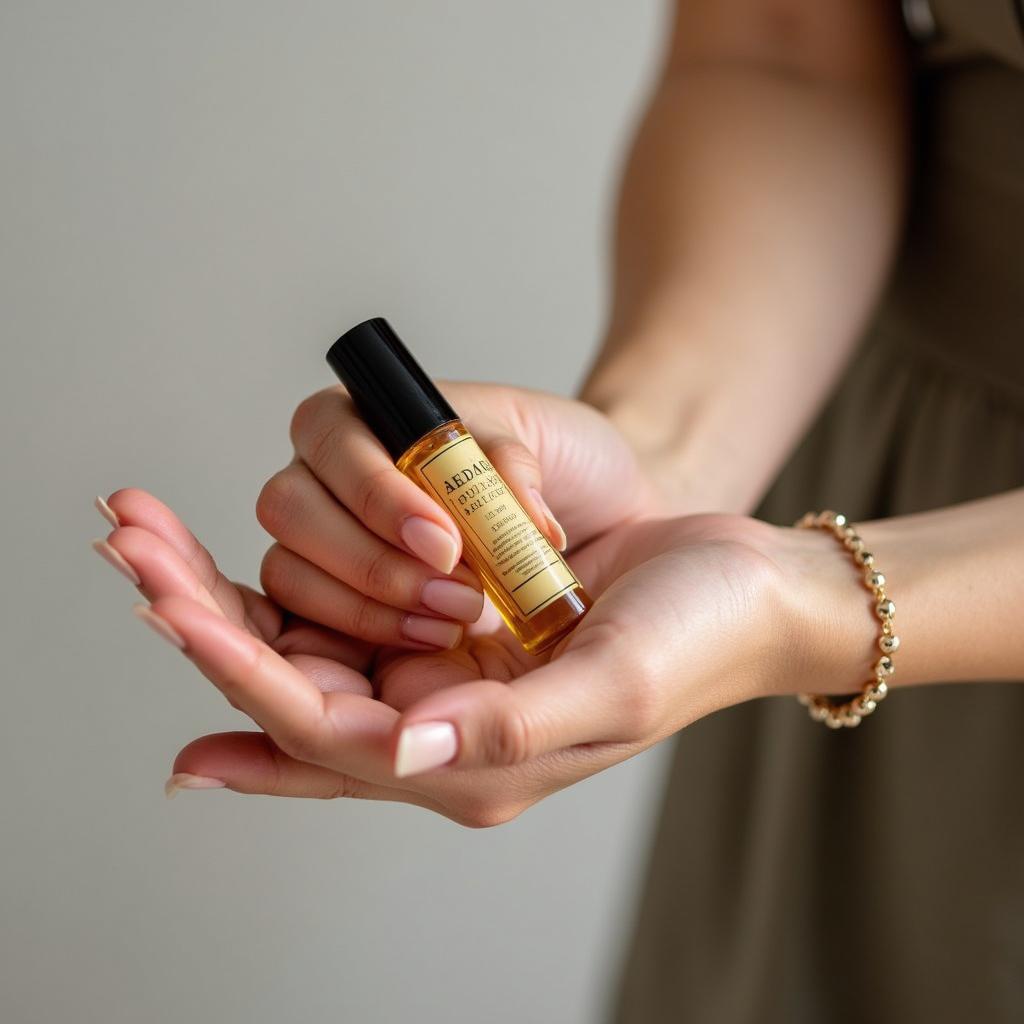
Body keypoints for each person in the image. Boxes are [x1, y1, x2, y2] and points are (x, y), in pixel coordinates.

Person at [92, 0, 1024, 1019]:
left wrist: (813, 603)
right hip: (883, 490)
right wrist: (663, 458)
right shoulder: (728, 573)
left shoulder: (788, 596)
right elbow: (782, 49)